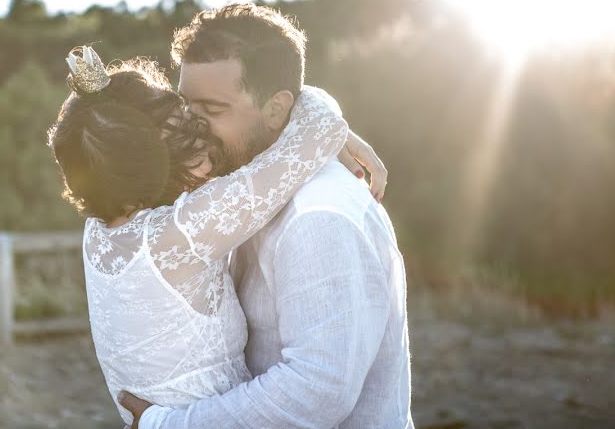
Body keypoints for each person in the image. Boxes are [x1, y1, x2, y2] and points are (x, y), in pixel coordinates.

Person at [49, 45, 377, 427]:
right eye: (184, 149)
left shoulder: (102, 233)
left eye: (192, 130)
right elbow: (313, 136)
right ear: (140, 177)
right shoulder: (179, 232)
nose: (207, 156)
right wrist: (327, 122)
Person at [118, 3, 413, 428]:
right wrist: (321, 119)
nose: (190, 127)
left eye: (213, 110)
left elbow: (317, 391)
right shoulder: (242, 180)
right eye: (187, 107)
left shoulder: (319, 217)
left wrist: (171, 425)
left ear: (277, 109)